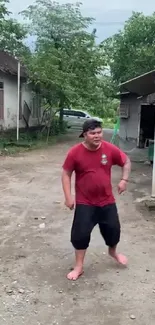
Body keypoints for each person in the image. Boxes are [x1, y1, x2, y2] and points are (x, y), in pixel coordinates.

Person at [62, 119, 131, 281]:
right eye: (92, 133)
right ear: (84, 135)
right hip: (85, 202)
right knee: (80, 235)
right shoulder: (75, 152)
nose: (97, 136)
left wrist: (124, 180)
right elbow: (66, 173)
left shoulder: (109, 149)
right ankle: (79, 266)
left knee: (113, 231)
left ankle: (113, 252)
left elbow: (126, 161)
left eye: (99, 132)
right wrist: (68, 196)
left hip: (107, 200)